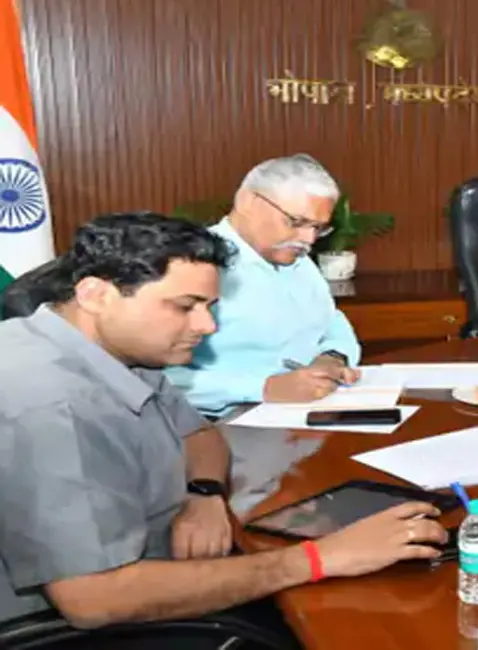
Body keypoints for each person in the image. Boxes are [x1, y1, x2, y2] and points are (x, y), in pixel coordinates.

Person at [0, 213, 447, 640]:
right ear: (96, 294)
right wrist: (320, 558)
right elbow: (94, 600)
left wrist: (204, 494)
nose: (207, 326)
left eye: (210, 306)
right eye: (185, 306)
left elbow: (200, 434)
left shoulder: (110, 348)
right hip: (98, 620)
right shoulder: (49, 405)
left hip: (156, 569)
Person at [165, 154, 362, 417]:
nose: (308, 239)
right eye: (296, 222)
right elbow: (150, 377)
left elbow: (331, 320)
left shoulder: (299, 261)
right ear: (248, 202)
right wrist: (263, 388)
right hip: (215, 423)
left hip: (303, 417)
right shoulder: (192, 263)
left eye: (318, 228)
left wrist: (333, 357)